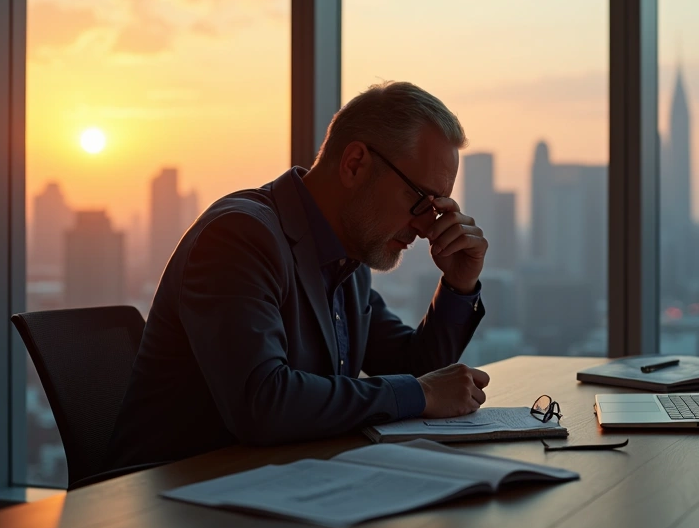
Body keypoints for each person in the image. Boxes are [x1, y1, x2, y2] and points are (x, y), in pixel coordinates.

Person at [107, 81, 490, 469]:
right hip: (169, 505)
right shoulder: (238, 237)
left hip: (272, 486)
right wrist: (420, 393)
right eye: (422, 200)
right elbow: (263, 402)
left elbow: (416, 374)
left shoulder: (347, 260)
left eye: (439, 208)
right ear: (355, 164)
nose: (428, 227)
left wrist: (460, 284)